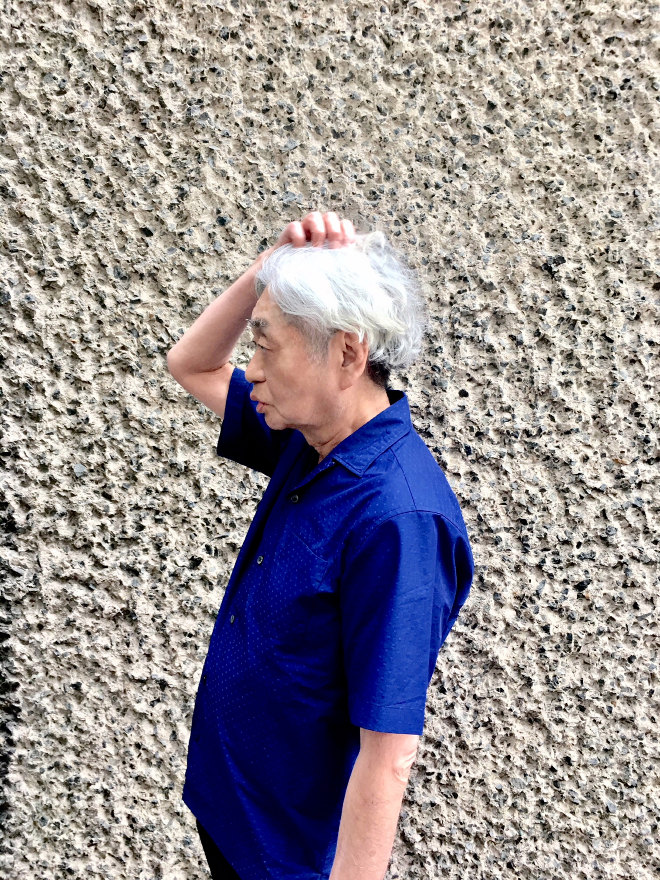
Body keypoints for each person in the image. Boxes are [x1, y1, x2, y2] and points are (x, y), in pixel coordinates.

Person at [166, 211, 474, 880]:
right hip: (235, 810)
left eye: (267, 346)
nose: (251, 370)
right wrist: (272, 264)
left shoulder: (398, 519)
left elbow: (389, 751)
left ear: (347, 355)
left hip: (289, 854)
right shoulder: (307, 438)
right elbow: (191, 363)